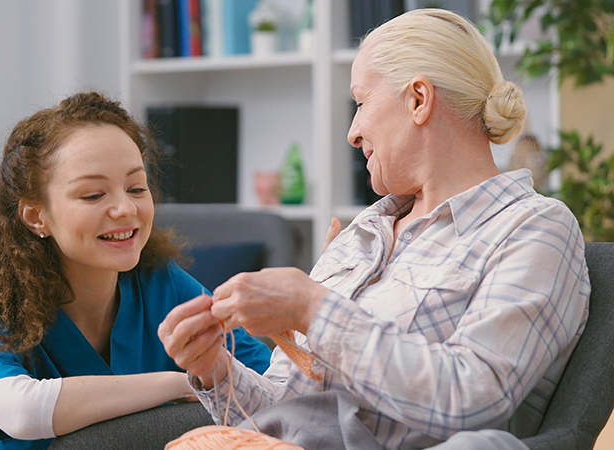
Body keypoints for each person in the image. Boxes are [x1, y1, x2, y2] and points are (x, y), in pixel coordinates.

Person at [159, 8, 590, 450]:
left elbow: (475, 395)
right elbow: (286, 407)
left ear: (418, 99)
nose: (352, 132)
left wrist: (313, 308)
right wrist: (214, 369)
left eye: (361, 103)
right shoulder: (362, 233)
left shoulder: (533, 228)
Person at [0, 92, 271, 450]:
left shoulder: (160, 282)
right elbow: (20, 411)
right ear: (36, 216)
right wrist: (183, 383)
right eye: (94, 194)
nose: (126, 209)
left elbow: (271, 382)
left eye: (137, 188)